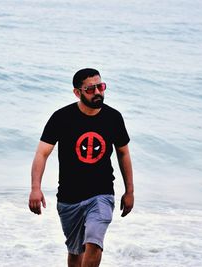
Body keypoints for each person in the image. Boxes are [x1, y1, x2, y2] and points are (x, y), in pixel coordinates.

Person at [28, 68, 134, 267]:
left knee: (94, 241)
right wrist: (35, 188)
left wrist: (130, 191)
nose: (98, 93)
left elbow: (123, 153)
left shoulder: (113, 118)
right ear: (77, 92)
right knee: (76, 252)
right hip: (69, 197)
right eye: (91, 89)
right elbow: (42, 153)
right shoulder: (61, 117)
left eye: (101, 87)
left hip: (101, 194)